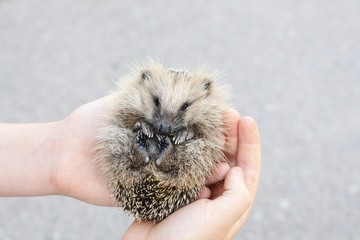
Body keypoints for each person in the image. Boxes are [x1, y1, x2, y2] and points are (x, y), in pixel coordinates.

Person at [0, 95, 261, 240]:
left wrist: (54, 152)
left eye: (183, 107)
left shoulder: (207, 113)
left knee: (197, 151)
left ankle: (161, 160)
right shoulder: (136, 101)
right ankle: (160, 159)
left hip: (167, 170)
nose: (167, 121)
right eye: (157, 103)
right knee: (121, 140)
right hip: (137, 163)